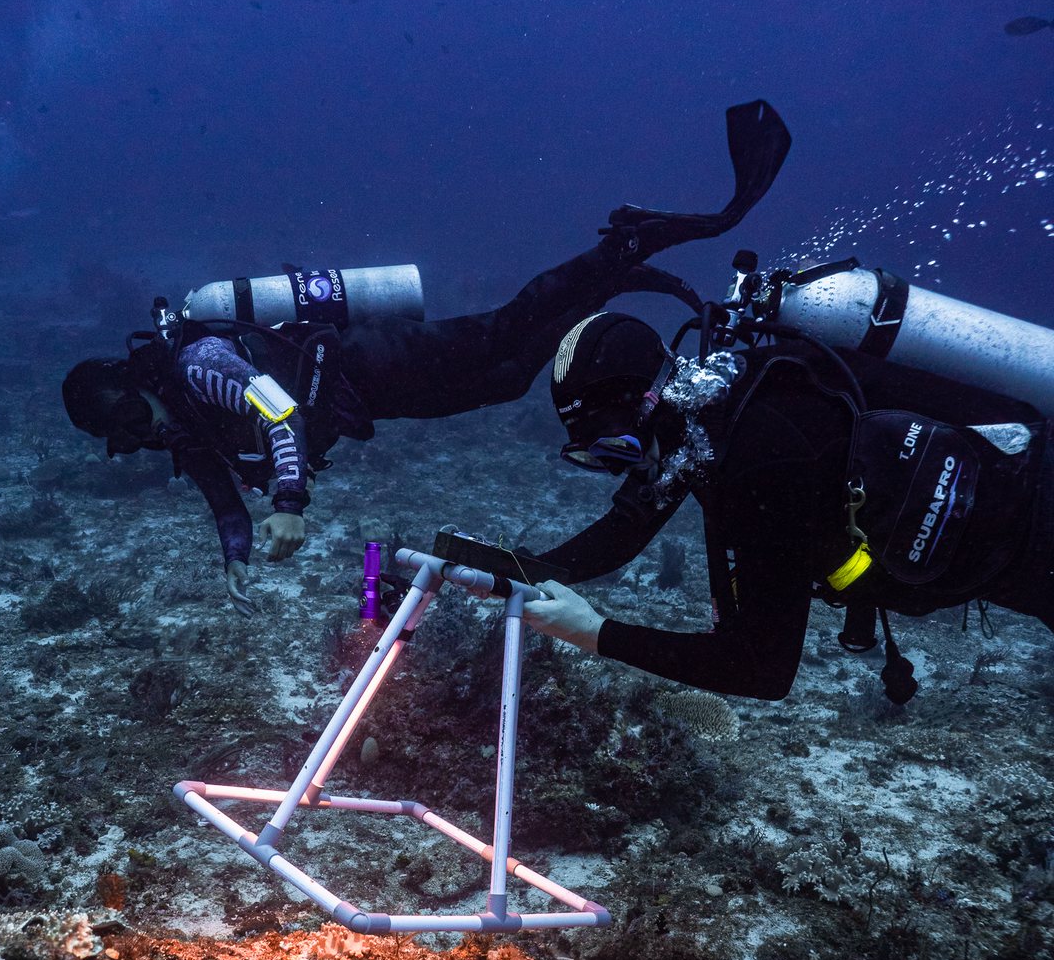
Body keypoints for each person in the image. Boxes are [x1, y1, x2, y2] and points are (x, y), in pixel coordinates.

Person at [61, 101, 791, 618]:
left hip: (368, 363)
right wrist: (235, 559)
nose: (141, 432)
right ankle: (611, 274)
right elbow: (223, 500)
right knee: (507, 378)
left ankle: (623, 247)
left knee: (503, 336)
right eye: (123, 436)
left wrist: (289, 503)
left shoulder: (198, 366)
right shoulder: (182, 427)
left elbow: (277, 410)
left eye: (129, 414)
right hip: (369, 397)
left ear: (133, 382)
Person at [521, 311, 1054, 701]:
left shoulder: (759, 460)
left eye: (618, 449)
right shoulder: (710, 409)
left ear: (650, 401)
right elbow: (628, 526)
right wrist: (516, 569)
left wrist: (592, 632)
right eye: (594, 458)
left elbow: (760, 669)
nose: (621, 470)